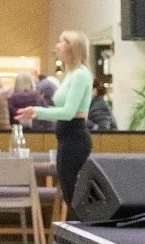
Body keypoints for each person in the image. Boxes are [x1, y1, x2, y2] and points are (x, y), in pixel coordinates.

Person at [15, 31, 93, 219]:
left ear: (71, 48)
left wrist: (36, 111)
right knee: (69, 192)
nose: (56, 46)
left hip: (75, 136)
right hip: (67, 137)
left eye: (61, 42)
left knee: (73, 194)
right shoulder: (71, 74)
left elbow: (68, 112)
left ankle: (79, 239)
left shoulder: (80, 75)